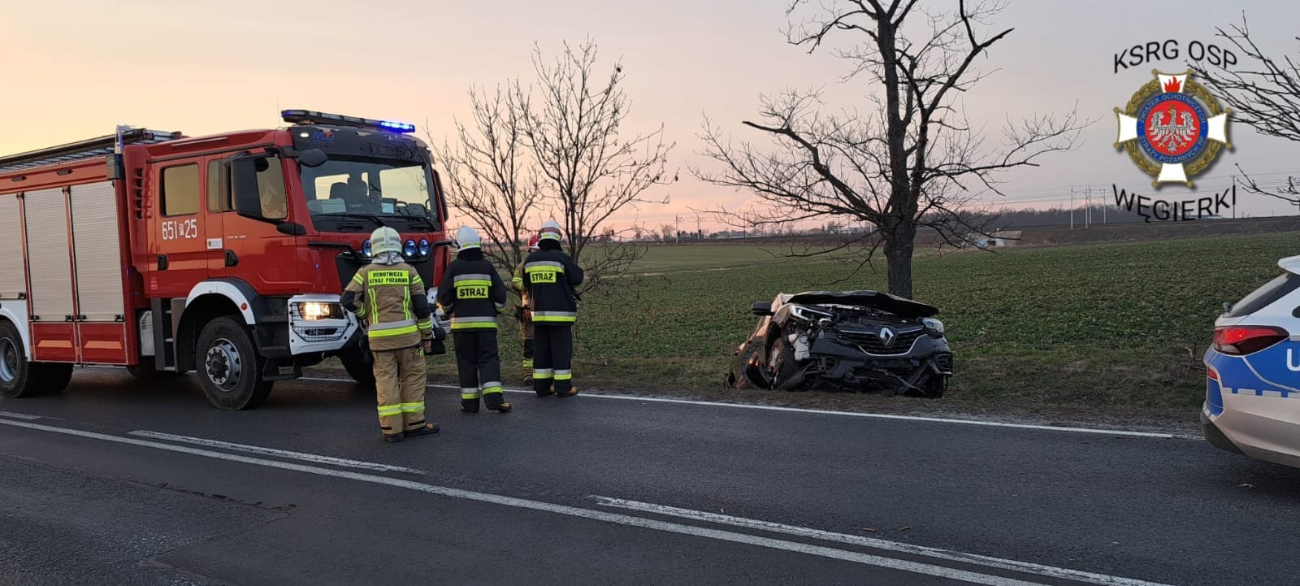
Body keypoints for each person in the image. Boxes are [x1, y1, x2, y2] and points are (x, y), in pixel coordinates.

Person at [342, 226, 441, 443]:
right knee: (412, 379)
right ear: (397, 244)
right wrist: (426, 335)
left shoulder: (364, 272)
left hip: (379, 341)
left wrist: (366, 313)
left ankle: (392, 429)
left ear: (374, 247)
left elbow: (347, 300)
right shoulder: (409, 271)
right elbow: (422, 308)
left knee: (386, 382)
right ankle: (414, 424)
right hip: (409, 339)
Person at [436, 226, 512, 414]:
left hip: (461, 327)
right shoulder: (487, 267)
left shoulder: (453, 268)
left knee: (466, 362)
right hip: (486, 326)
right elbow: (501, 297)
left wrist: (450, 311)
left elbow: (443, 298)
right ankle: (495, 399)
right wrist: (495, 311)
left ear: (459, 246)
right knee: (489, 360)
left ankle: (469, 404)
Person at [522, 220, 584, 398]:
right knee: (561, 350)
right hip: (561, 315)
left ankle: (541, 387)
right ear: (558, 237)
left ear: (541, 238)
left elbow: (527, 284)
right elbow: (577, 278)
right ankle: (563, 387)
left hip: (539, 315)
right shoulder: (562, 259)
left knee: (541, 350)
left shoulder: (530, 260)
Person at [511, 235, 542, 384]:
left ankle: (541, 372)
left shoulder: (544, 265)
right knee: (529, 343)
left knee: (542, 342)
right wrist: (526, 286)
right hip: (528, 308)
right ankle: (528, 374)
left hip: (543, 309)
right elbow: (515, 281)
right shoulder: (523, 265)